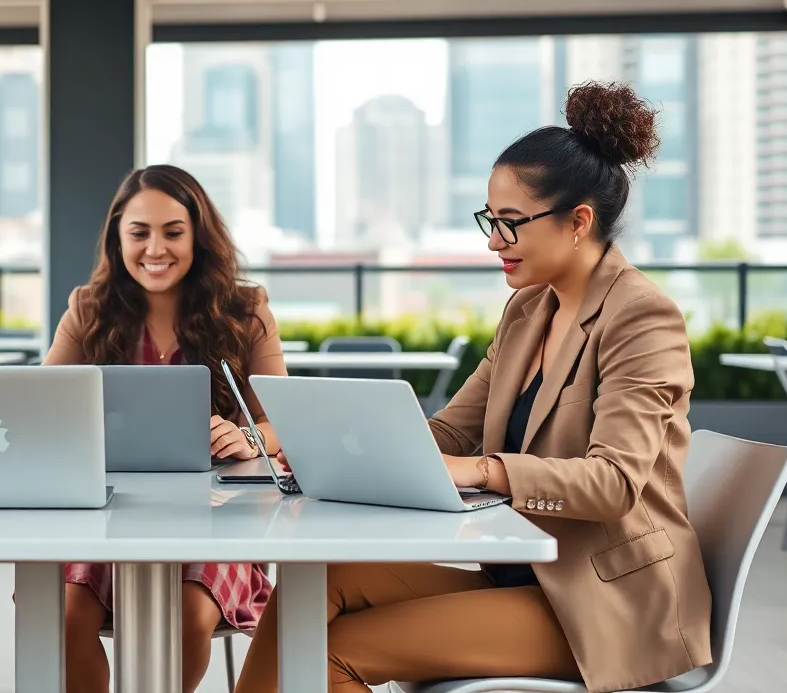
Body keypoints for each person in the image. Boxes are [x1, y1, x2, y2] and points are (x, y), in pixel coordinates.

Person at [235, 82, 713, 693]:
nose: (493, 241)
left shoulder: (641, 317)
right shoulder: (528, 311)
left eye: (510, 224)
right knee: (313, 584)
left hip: (602, 603)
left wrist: (484, 471)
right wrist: (335, 448)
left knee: (332, 653)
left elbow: (615, 485)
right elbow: (450, 430)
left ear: (579, 222)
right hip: (522, 576)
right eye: (490, 220)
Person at [44, 164, 287, 693]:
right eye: (139, 233)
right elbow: (41, 408)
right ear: (118, 238)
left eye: (173, 232)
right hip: (108, 515)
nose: (156, 248)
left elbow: (284, 422)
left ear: (199, 236)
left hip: (217, 517)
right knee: (61, 619)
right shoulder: (88, 309)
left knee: (187, 619)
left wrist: (248, 437)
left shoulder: (246, 309)